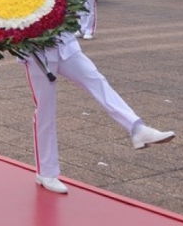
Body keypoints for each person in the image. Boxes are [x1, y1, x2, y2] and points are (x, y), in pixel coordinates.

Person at [23, 34, 175, 194]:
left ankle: (137, 129)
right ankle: (46, 172)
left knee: (96, 80)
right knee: (45, 111)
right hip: (36, 51)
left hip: (65, 43)